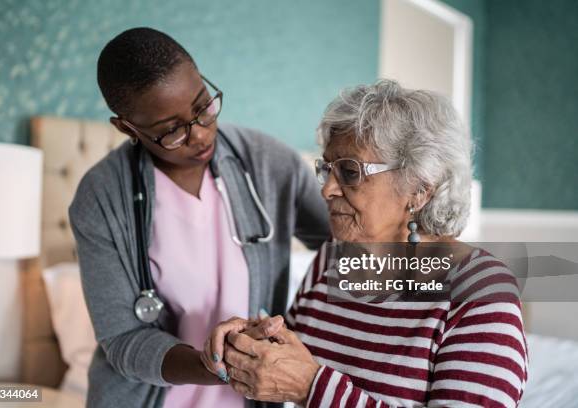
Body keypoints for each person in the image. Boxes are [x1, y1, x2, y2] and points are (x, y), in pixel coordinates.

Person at [204, 80, 528, 407]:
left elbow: (304, 379)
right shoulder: (333, 258)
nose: (326, 189)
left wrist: (311, 388)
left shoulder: (481, 290)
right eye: (326, 169)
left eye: (349, 171)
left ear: (419, 189)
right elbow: (294, 358)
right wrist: (253, 341)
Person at [68, 27, 329, 408]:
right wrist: (218, 363)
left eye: (203, 106)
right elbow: (123, 339)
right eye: (172, 130)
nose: (201, 135)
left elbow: (346, 246)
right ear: (127, 128)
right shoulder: (101, 198)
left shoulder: (271, 164)